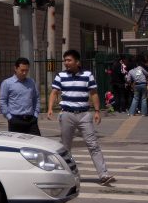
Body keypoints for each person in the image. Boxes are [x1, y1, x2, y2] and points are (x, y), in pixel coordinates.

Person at [47, 49, 116, 185]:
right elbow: (54, 92)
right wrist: (50, 108)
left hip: (84, 115)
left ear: (77, 62)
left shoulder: (87, 75)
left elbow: (94, 93)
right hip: (67, 114)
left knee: (93, 144)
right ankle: (67, 175)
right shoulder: (60, 75)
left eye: (69, 60)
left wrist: (97, 111)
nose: (66, 63)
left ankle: (103, 174)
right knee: (66, 147)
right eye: (65, 60)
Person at [0, 57, 41, 135]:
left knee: (37, 143)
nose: (24, 73)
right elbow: (3, 101)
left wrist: (35, 114)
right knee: (17, 145)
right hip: (15, 119)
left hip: (31, 119)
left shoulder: (31, 82)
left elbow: (36, 98)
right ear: (16, 68)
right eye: (22, 70)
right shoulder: (7, 83)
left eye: (26, 70)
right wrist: (9, 117)